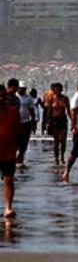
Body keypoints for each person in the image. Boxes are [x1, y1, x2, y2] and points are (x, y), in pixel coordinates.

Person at [0, 84, 20, 219]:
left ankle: (8, 207)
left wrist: (18, 149)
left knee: (9, 180)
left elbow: (17, 131)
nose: (1, 98)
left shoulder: (13, 111)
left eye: (2, 95)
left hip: (9, 151)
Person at [44, 83, 70, 165]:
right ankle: (56, 159)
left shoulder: (65, 98)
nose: (57, 91)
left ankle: (62, 156)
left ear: (61, 90)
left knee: (63, 140)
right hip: (54, 120)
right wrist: (48, 122)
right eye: (56, 89)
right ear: (54, 90)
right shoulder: (51, 98)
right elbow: (49, 111)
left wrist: (73, 121)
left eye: (59, 89)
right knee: (56, 141)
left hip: (63, 120)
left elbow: (68, 111)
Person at [14, 83, 34, 166]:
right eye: (20, 88)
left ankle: (21, 159)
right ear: (18, 88)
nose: (22, 90)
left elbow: (32, 111)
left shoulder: (28, 98)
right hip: (15, 123)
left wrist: (33, 122)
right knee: (15, 142)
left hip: (25, 123)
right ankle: (14, 158)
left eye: (24, 88)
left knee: (24, 142)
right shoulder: (14, 97)